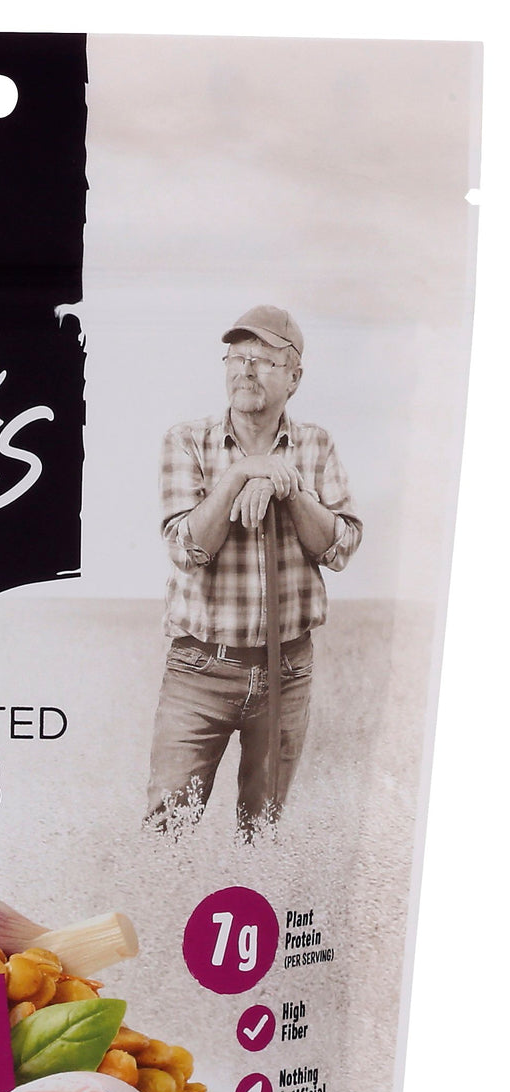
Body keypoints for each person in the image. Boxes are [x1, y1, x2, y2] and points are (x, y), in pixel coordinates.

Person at [145, 306, 362, 836]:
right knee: (166, 831)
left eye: (264, 360)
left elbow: (340, 547)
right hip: (199, 669)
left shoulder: (317, 445)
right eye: (237, 357)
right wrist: (243, 472)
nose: (246, 369)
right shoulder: (187, 440)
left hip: (287, 672)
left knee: (261, 835)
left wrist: (287, 485)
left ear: (294, 378)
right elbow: (186, 548)